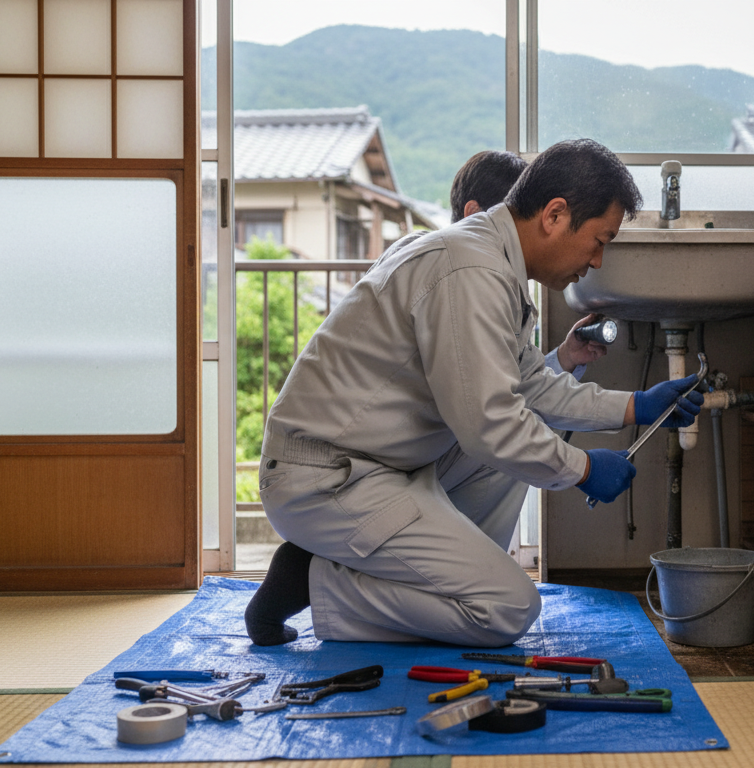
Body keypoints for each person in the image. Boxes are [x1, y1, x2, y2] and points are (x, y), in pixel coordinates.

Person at [245, 139, 703, 647]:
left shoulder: (489, 263)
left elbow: (530, 386)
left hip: (378, 467)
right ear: (555, 215)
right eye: (599, 240)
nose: (597, 260)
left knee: (517, 453)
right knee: (507, 608)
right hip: (327, 479)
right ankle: (316, 581)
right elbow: (492, 426)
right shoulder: (472, 270)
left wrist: (636, 406)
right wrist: (586, 469)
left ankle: (446, 581)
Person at [391, 149, 610, 378]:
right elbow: (490, 403)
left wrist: (566, 357)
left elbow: (509, 381)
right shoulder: (462, 275)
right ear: (474, 214)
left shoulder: (496, 278)